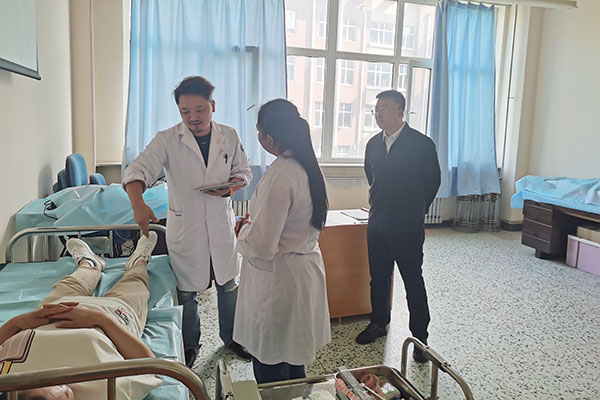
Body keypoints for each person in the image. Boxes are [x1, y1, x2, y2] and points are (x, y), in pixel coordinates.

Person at [123, 76, 253, 367]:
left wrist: (231, 187)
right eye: (185, 111)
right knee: (187, 291)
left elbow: (244, 171)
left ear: (212, 106)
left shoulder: (229, 135)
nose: (193, 117)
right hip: (187, 226)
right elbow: (137, 171)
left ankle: (233, 338)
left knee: (228, 284)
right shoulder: (167, 139)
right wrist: (138, 205)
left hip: (220, 223)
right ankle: (190, 343)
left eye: (200, 109)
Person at [232, 99, 331, 384]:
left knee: (271, 363)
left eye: (259, 132)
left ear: (270, 138)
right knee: (294, 356)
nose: (258, 137)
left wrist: (242, 230)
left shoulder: (280, 175)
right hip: (302, 272)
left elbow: (263, 245)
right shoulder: (309, 167)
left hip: (279, 279)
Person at [0, 233, 161, 400]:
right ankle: (138, 262)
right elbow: (150, 367)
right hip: (114, 316)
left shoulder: (8, 386)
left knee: (73, 282)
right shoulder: (111, 392)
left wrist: (16, 323)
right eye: (64, 393)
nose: (63, 385)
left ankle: (89, 263)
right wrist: (101, 319)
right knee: (135, 283)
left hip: (51, 312)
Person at [355, 90, 441, 363]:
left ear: (401, 112)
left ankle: (420, 339)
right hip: (378, 221)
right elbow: (372, 176)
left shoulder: (421, 144)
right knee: (379, 277)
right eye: (376, 110)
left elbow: (432, 181)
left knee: (413, 280)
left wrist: (415, 209)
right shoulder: (373, 144)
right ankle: (378, 322)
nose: (379, 114)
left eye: (385, 109)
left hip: (407, 225)